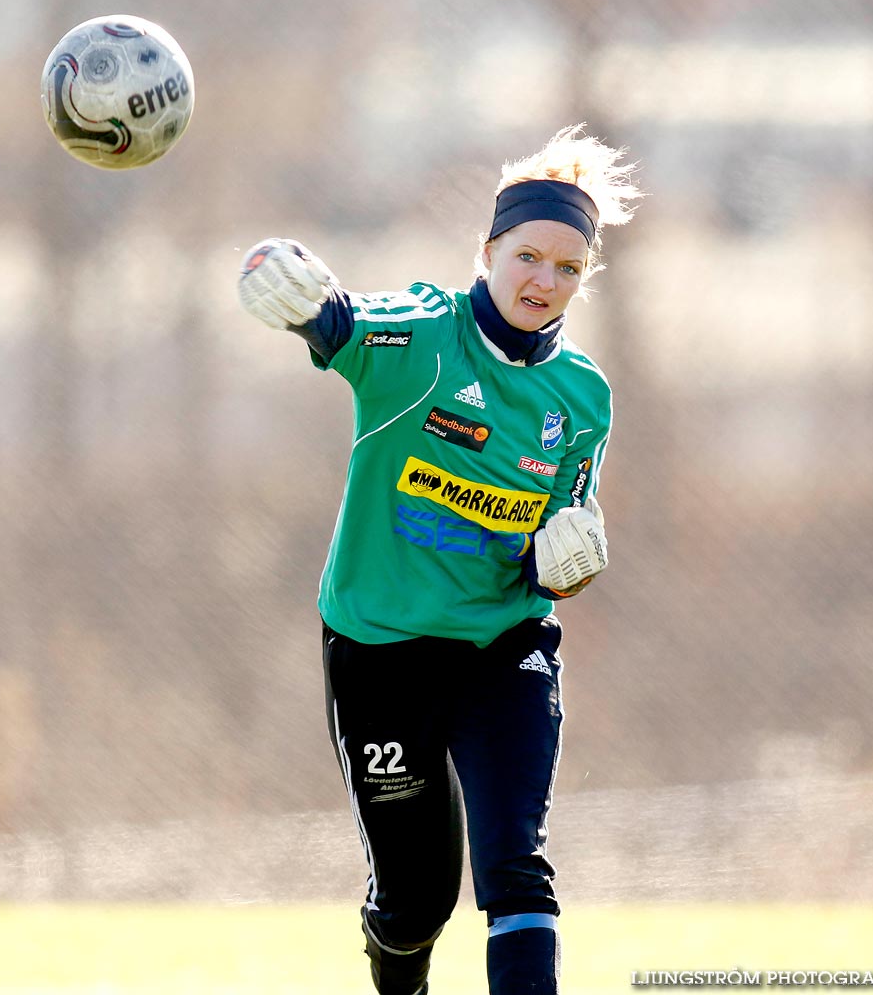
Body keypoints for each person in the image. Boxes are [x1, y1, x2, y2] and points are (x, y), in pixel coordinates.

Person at [237, 124, 639, 995]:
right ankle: (397, 958)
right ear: (487, 250)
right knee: (418, 900)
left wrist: (563, 565)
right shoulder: (421, 338)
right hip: (380, 650)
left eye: (568, 269)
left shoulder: (582, 399)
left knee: (515, 870)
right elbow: (341, 321)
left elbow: (557, 538)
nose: (545, 282)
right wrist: (293, 290)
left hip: (503, 646)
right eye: (529, 257)